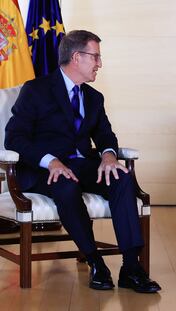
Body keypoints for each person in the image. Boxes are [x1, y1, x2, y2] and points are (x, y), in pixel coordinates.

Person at [4, 30, 161, 293]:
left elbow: (104, 134)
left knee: (121, 178)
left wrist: (109, 155)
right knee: (66, 185)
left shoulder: (93, 97)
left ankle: (131, 267)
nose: (100, 63)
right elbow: (14, 138)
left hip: (81, 164)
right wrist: (51, 161)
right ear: (76, 57)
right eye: (96, 57)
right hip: (42, 170)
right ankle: (95, 261)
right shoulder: (36, 90)